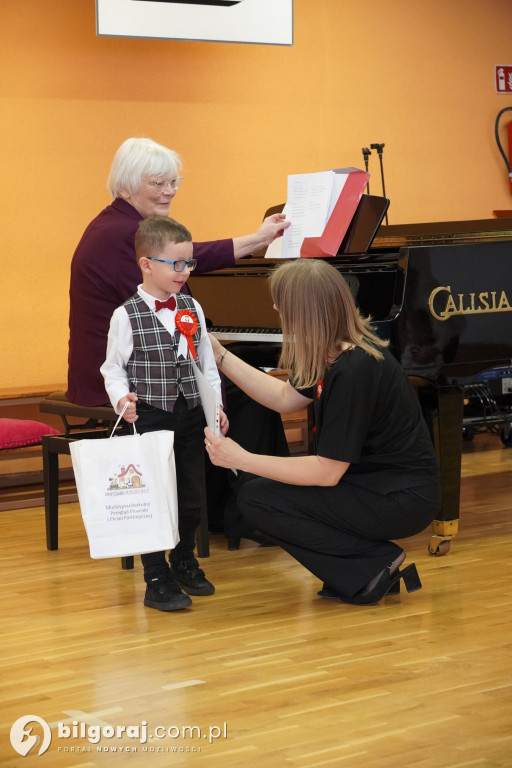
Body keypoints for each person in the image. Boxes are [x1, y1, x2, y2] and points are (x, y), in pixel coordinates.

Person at [67, 136, 290, 543]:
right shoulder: (121, 234)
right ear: (126, 186)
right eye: (158, 183)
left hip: (143, 365)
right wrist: (216, 384)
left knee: (237, 389)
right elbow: (179, 307)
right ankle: (247, 514)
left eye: (174, 182)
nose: (169, 191)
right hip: (124, 380)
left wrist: (257, 240)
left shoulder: (122, 226)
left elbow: (192, 257)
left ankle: (233, 511)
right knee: (251, 398)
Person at [204, 259, 442, 606]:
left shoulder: (354, 369)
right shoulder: (333, 350)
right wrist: (220, 354)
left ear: (304, 311)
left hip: (401, 498)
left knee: (258, 498)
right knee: (257, 494)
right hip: (373, 485)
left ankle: (373, 565)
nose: (274, 308)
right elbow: (284, 398)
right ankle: (370, 566)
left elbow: (327, 472)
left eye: (281, 303)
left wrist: (242, 458)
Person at [101, 216, 228, 612]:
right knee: (152, 496)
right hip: (151, 417)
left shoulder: (192, 306)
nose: (184, 271)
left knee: (191, 494)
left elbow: (205, 362)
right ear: (146, 263)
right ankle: (155, 576)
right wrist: (122, 400)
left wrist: (215, 406)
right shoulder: (126, 315)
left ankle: (183, 559)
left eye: (188, 263)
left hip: (189, 412)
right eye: (175, 263)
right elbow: (113, 368)